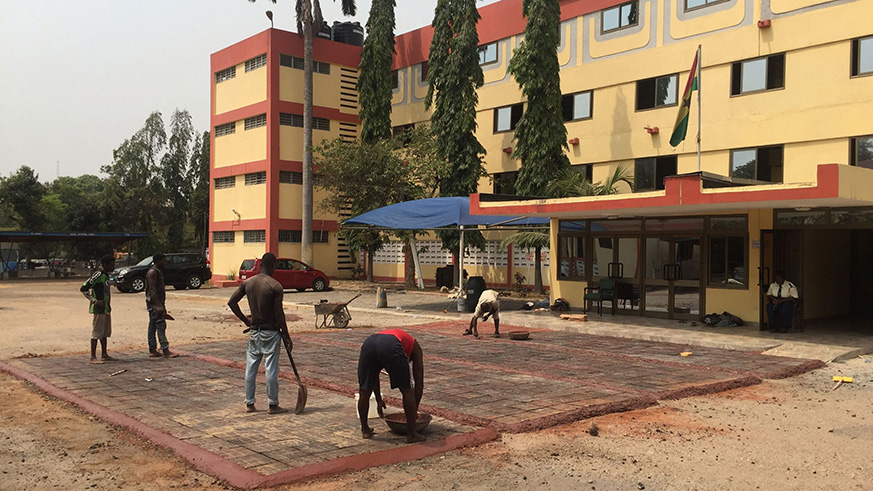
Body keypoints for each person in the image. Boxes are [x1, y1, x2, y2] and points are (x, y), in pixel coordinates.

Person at [227, 253, 289, 414]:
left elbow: (232, 302)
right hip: (271, 332)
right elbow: (279, 314)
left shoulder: (248, 283)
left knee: (251, 368)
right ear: (273, 266)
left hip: (255, 332)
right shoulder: (275, 286)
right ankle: (273, 404)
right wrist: (286, 335)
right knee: (271, 369)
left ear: (261, 265)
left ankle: (249, 403)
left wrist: (246, 321)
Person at [357, 329, 425, 443]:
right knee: (407, 390)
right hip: (391, 344)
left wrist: (379, 400)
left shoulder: (402, 339)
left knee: (364, 391)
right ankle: (412, 434)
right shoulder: (416, 348)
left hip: (369, 343)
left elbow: (374, 375)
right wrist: (414, 413)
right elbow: (419, 383)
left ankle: (365, 430)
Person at [81, 254, 117, 364]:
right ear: (105, 265)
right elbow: (84, 288)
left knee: (104, 332)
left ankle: (104, 354)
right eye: (111, 265)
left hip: (106, 308)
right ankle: (93, 356)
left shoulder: (106, 276)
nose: (113, 267)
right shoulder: (98, 275)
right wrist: (94, 301)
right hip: (98, 308)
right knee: (97, 332)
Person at [146, 253, 178, 358]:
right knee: (160, 325)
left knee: (153, 325)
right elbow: (152, 289)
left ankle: (152, 349)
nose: (165, 263)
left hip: (156, 302)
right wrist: (159, 305)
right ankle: (165, 349)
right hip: (155, 302)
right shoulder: (153, 272)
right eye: (163, 261)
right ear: (158, 261)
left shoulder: (156, 272)